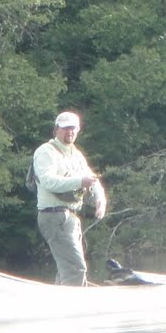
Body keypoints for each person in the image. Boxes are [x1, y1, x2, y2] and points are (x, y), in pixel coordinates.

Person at [31, 110, 107, 285]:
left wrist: (100, 199)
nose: (69, 132)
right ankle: (75, 301)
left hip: (72, 218)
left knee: (66, 269)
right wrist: (80, 181)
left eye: (73, 128)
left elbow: (92, 180)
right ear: (56, 129)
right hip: (53, 216)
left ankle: (58, 299)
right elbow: (48, 181)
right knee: (75, 268)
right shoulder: (45, 152)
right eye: (65, 128)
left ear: (78, 130)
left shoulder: (76, 154)